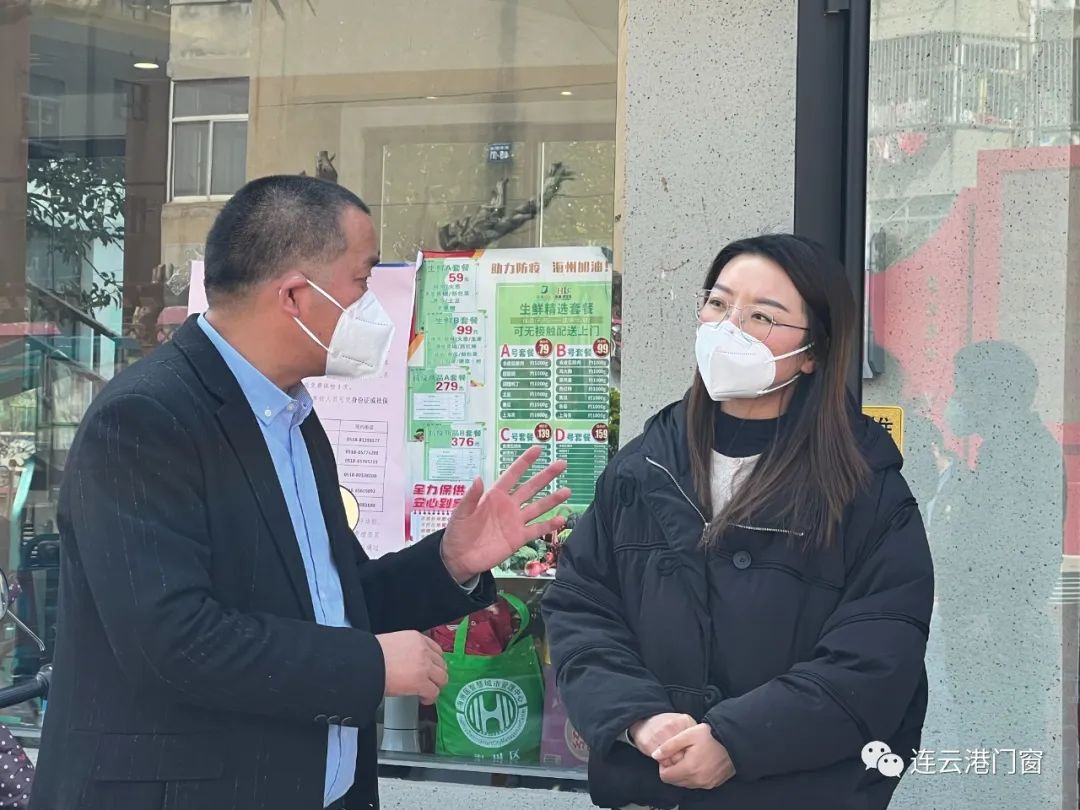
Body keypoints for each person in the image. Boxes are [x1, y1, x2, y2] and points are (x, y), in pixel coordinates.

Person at [30, 175, 570, 810]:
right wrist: (369, 666)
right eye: (362, 280)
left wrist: (449, 561)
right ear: (294, 295)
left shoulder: (292, 417)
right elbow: (174, 641)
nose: (373, 306)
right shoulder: (146, 419)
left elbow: (333, 602)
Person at [543, 234, 934, 810]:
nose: (730, 328)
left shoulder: (865, 490)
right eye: (719, 304)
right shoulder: (641, 468)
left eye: (762, 317)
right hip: (653, 790)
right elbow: (581, 611)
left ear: (814, 352)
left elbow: (875, 658)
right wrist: (639, 719)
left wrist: (737, 743)